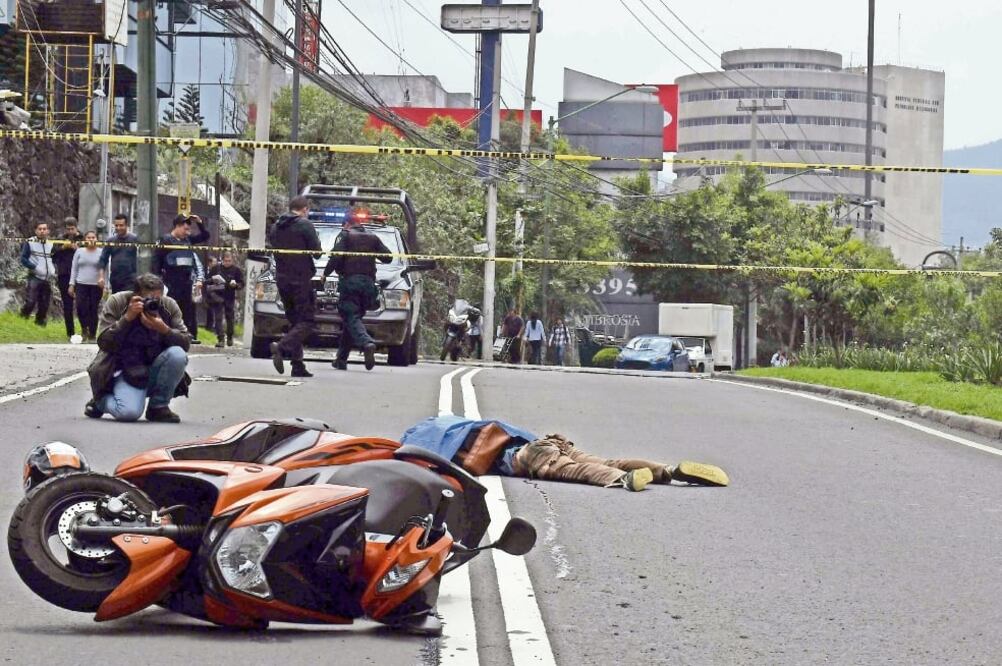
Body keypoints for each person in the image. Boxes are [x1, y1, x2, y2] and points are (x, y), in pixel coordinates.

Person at [401, 415, 729, 491]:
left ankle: (625, 480)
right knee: (602, 459)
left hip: (527, 454)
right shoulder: (460, 425)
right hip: (547, 440)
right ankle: (667, 470)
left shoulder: (431, 442)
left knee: (572, 471)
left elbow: (433, 464)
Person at [84, 273, 191, 423]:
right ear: (136, 295)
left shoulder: (168, 306)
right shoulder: (118, 302)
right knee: (128, 413)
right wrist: (127, 318)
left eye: (157, 299)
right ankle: (100, 401)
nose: (152, 303)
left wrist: (164, 329)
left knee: (177, 355)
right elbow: (104, 342)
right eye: (147, 299)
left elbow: (186, 343)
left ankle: (158, 407)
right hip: (123, 369)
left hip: (154, 367)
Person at [324, 207, 393, 371]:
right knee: (352, 319)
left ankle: (367, 343)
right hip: (368, 286)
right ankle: (341, 360)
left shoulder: (345, 236)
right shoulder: (373, 237)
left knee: (349, 316)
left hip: (350, 284)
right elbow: (388, 258)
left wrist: (325, 274)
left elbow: (336, 258)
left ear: (347, 224)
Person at [268, 196, 321, 378]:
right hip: (300, 280)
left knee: (295, 322)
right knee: (307, 321)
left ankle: (297, 364)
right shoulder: (305, 225)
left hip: (282, 280)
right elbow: (317, 252)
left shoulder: (276, 227)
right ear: (305, 209)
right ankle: (281, 347)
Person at [152, 213, 209, 344]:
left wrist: (199, 222)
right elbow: (156, 262)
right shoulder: (165, 240)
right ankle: (169, 335)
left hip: (187, 281)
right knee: (170, 309)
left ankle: (189, 336)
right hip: (171, 281)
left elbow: (206, 236)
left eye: (189, 230)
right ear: (177, 226)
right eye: (185, 229)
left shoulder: (188, 240)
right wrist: (157, 281)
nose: (188, 232)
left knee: (188, 311)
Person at [69, 230, 106, 341]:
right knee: (81, 307)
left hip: (96, 285)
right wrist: (71, 284)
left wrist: (105, 284)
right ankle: (84, 328)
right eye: (88, 237)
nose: (91, 239)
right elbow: (74, 268)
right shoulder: (79, 251)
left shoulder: (101, 252)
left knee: (93, 309)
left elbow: (105, 269)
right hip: (81, 284)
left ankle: (92, 333)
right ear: (85, 240)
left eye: (93, 237)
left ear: (96, 239)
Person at [19, 221, 56, 326]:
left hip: (47, 278)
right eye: (40, 229)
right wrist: (35, 267)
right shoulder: (30, 242)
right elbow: (23, 259)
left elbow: (54, 258)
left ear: (48, 231)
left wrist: (53, 270)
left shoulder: (51, 243)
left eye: (44, 229)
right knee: (31, 301)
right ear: (36, 230)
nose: (42, 231)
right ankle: (22, 319)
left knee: (44, 304)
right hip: (34, 276)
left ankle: (40, 323)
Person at [51, 218, 82, 340]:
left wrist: (76, 249)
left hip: (80, 275)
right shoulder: (60, 239)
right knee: (67, 305)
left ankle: (86, 330)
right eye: (68, 229)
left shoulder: (83, 238)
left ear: (76, 227)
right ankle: (70, 333)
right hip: (64, 275)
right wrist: (62, 248)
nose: (70, 231)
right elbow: (52, 255)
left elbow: (91, 251)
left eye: (72, 229)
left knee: (82, 305)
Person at [207, 251, 244, 347]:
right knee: (218, 318)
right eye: (226, 261)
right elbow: (207, 280)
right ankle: (221, 339)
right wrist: (213, 280)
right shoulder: (216, 268)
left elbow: (241, 283)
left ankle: (230, 337)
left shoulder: (236, 270)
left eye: (229, 261)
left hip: (229, 295)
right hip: (217, 295)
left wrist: (236, 285)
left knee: (230, 317)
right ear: (222, 260)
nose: (227, 263)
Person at [101, 213, 139, 293]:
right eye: (116, 225)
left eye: (121, 225)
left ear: (126, 225)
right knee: (117, 302)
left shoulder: (135, 239)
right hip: (115, 278)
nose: (118, 228)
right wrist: (101, 277)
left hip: (130, 279)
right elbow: (103, 259)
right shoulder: (110, 241)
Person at [203, 255, 219, 333]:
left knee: (214, 312)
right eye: (214, 262)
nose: (215, 264)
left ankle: (213, 327)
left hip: (215, 294)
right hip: (207, 294)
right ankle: (208, 326)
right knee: (209, 312)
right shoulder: (205, 271)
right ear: (209, 263)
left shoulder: (217, 271)